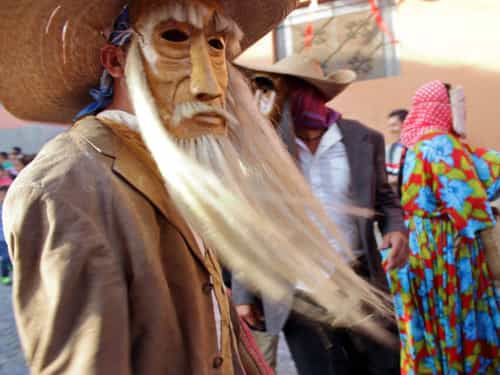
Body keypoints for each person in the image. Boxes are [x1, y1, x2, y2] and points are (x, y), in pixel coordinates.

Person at [0, 1, 392, 374]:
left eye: (216, 45)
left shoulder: (170, 163)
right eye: (174, 38)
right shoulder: (67, 187)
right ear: (115, 61)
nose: (209, 84)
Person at [234, 53, 409, 374]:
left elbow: (385, 201)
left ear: (316, 95)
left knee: (382, 367)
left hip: (359, 282)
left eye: (293, 92)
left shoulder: (363, 139)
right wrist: (243, 294)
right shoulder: (265, 151)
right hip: (299, 294)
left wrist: (395, 229)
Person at [387, 80, 500, 374]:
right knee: (457, 316)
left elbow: (479, 164)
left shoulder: (418, 144)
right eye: (458, 105)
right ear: (444, 108)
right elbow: (468, 204)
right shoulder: (442, 145)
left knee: (431, 320)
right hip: (446, 248)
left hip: (422, 246)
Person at [385, 109, 408, 191]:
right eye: (390, 126)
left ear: (406, 124)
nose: (391, 130)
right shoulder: (389, 150)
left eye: (394, 125)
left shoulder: (417, 148)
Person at [0, 186, 12, 285]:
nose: (3, 197)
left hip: (10, 237)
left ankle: (10, 266)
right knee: (5, 258)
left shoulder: (11, 207)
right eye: (2, 195)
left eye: (5, 195)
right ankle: (4, 277)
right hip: (1, 239)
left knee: (11, 257)